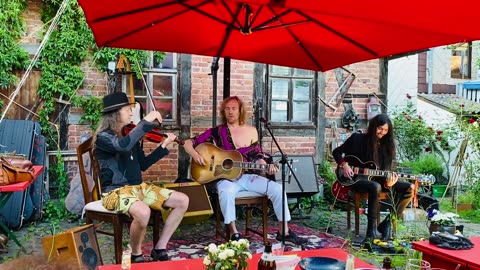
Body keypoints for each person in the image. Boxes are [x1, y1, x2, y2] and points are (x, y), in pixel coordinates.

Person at [183, 96, 307, 245]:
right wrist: (195, 155)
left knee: (278, 189)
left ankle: (284, 231)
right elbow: (187, 143)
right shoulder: (217, 131)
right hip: (226, 178)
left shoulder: (251, 131)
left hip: (248, 177)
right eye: (227, 109)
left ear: (240, 110)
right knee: (226, 191)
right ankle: (234, 232)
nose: (230, 112)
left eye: (234, 108)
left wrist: (263, 163)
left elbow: (258, 155)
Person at [95, 92, 189, 262]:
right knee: (143, 212)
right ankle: (136, 254)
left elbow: (143, 165)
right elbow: (122, 147)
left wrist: (163, 146)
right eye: (128, 109)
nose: (131, 113)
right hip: (116, 192)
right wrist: (145, 122)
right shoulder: (104, 137)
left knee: (182, 200)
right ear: (116, 113)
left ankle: (160, 247)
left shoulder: (129, 136)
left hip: (139, 189)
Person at [332, 113, 414, 239]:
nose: (382, 132)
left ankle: (386, 224)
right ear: (373, 127)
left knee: (410, 188)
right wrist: (344, 165)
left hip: (379, 179)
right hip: (357, 179)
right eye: (380, 129)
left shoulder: (388, 146)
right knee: (375, 187)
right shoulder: (357, 139)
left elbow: (385, 171)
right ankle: (371, 231)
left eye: (386, 130)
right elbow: (336, 152)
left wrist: (388, 183)